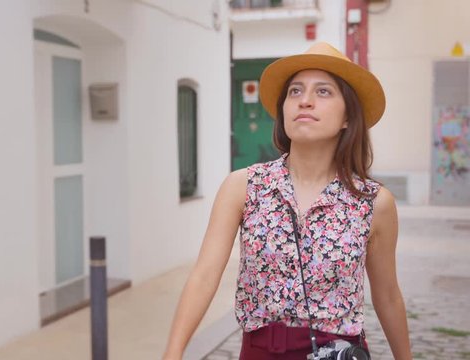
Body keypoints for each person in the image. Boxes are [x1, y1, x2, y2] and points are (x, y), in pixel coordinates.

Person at [163, 42, 412, 359]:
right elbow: (204, 276)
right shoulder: (244, 186)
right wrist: (173, 351)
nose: (305, 101)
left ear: (349, 116)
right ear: (283, 111)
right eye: (295, 91)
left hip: (337, 351)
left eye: (323, 92)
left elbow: (388, 295)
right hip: (261, 350)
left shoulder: (374, 203)